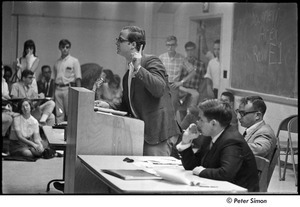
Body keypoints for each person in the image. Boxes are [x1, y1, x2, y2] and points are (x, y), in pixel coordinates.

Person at [103, 25, 182, 156]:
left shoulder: (151, 61)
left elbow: (159, 89)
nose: (116, 43)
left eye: (120, 40)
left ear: (132, 44)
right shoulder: (127, 74)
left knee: (154, 175)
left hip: (158, 135)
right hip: (142, 134)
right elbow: (128, 106)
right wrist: (108, 105)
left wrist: (139, 68)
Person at [176, 99, 259, 192]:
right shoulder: (211, 136)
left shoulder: (232, 141)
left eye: (201, 119)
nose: (197, 122)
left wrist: (201, 171)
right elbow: (192, 165)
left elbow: (226, 173)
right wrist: (186, 141)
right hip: (220, 189)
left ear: (213, 123)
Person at [236, 96, 277, 161]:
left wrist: (231, 146)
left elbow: (260, 149)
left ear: (257, 115)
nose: (238, 117)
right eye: (238, 112)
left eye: (242, 113)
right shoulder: (252, 129)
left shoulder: (265, 132)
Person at [53, 39, 82, 124]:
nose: (65, 49)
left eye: (67, 47)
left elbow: (78, 78)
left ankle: (70, 133)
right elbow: (54, 79)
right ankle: (59, 132)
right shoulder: (57, 63)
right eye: (63, 47)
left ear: (69, 48)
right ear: (59, 48)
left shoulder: (74, 61)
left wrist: (79, 92)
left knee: (70, 112)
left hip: (68, 89)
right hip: (58, 89)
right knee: (59, 113)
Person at [159, 36, 185, 120]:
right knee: (162, 108)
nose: (170, 47)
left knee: (173, 110)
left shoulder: (181, 58)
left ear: (176, 45)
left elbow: (193, 71)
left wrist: (181, 82)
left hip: (174, 86)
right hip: (163, 85)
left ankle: (171, 130)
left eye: (172, 45)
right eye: (168, 45)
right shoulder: (161, 57)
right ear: (166, 46)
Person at [177, 41, 206, 119]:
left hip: (194, 91)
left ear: (194, 50)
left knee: (192, 113)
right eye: (188, 50)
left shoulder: (201, 64)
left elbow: (203, 80)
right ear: (185, 51)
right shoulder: (182, 63)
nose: (190, 52)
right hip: (183, 91)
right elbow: (178, 78)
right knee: (182, 113)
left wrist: (200, 92)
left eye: (192, 50)